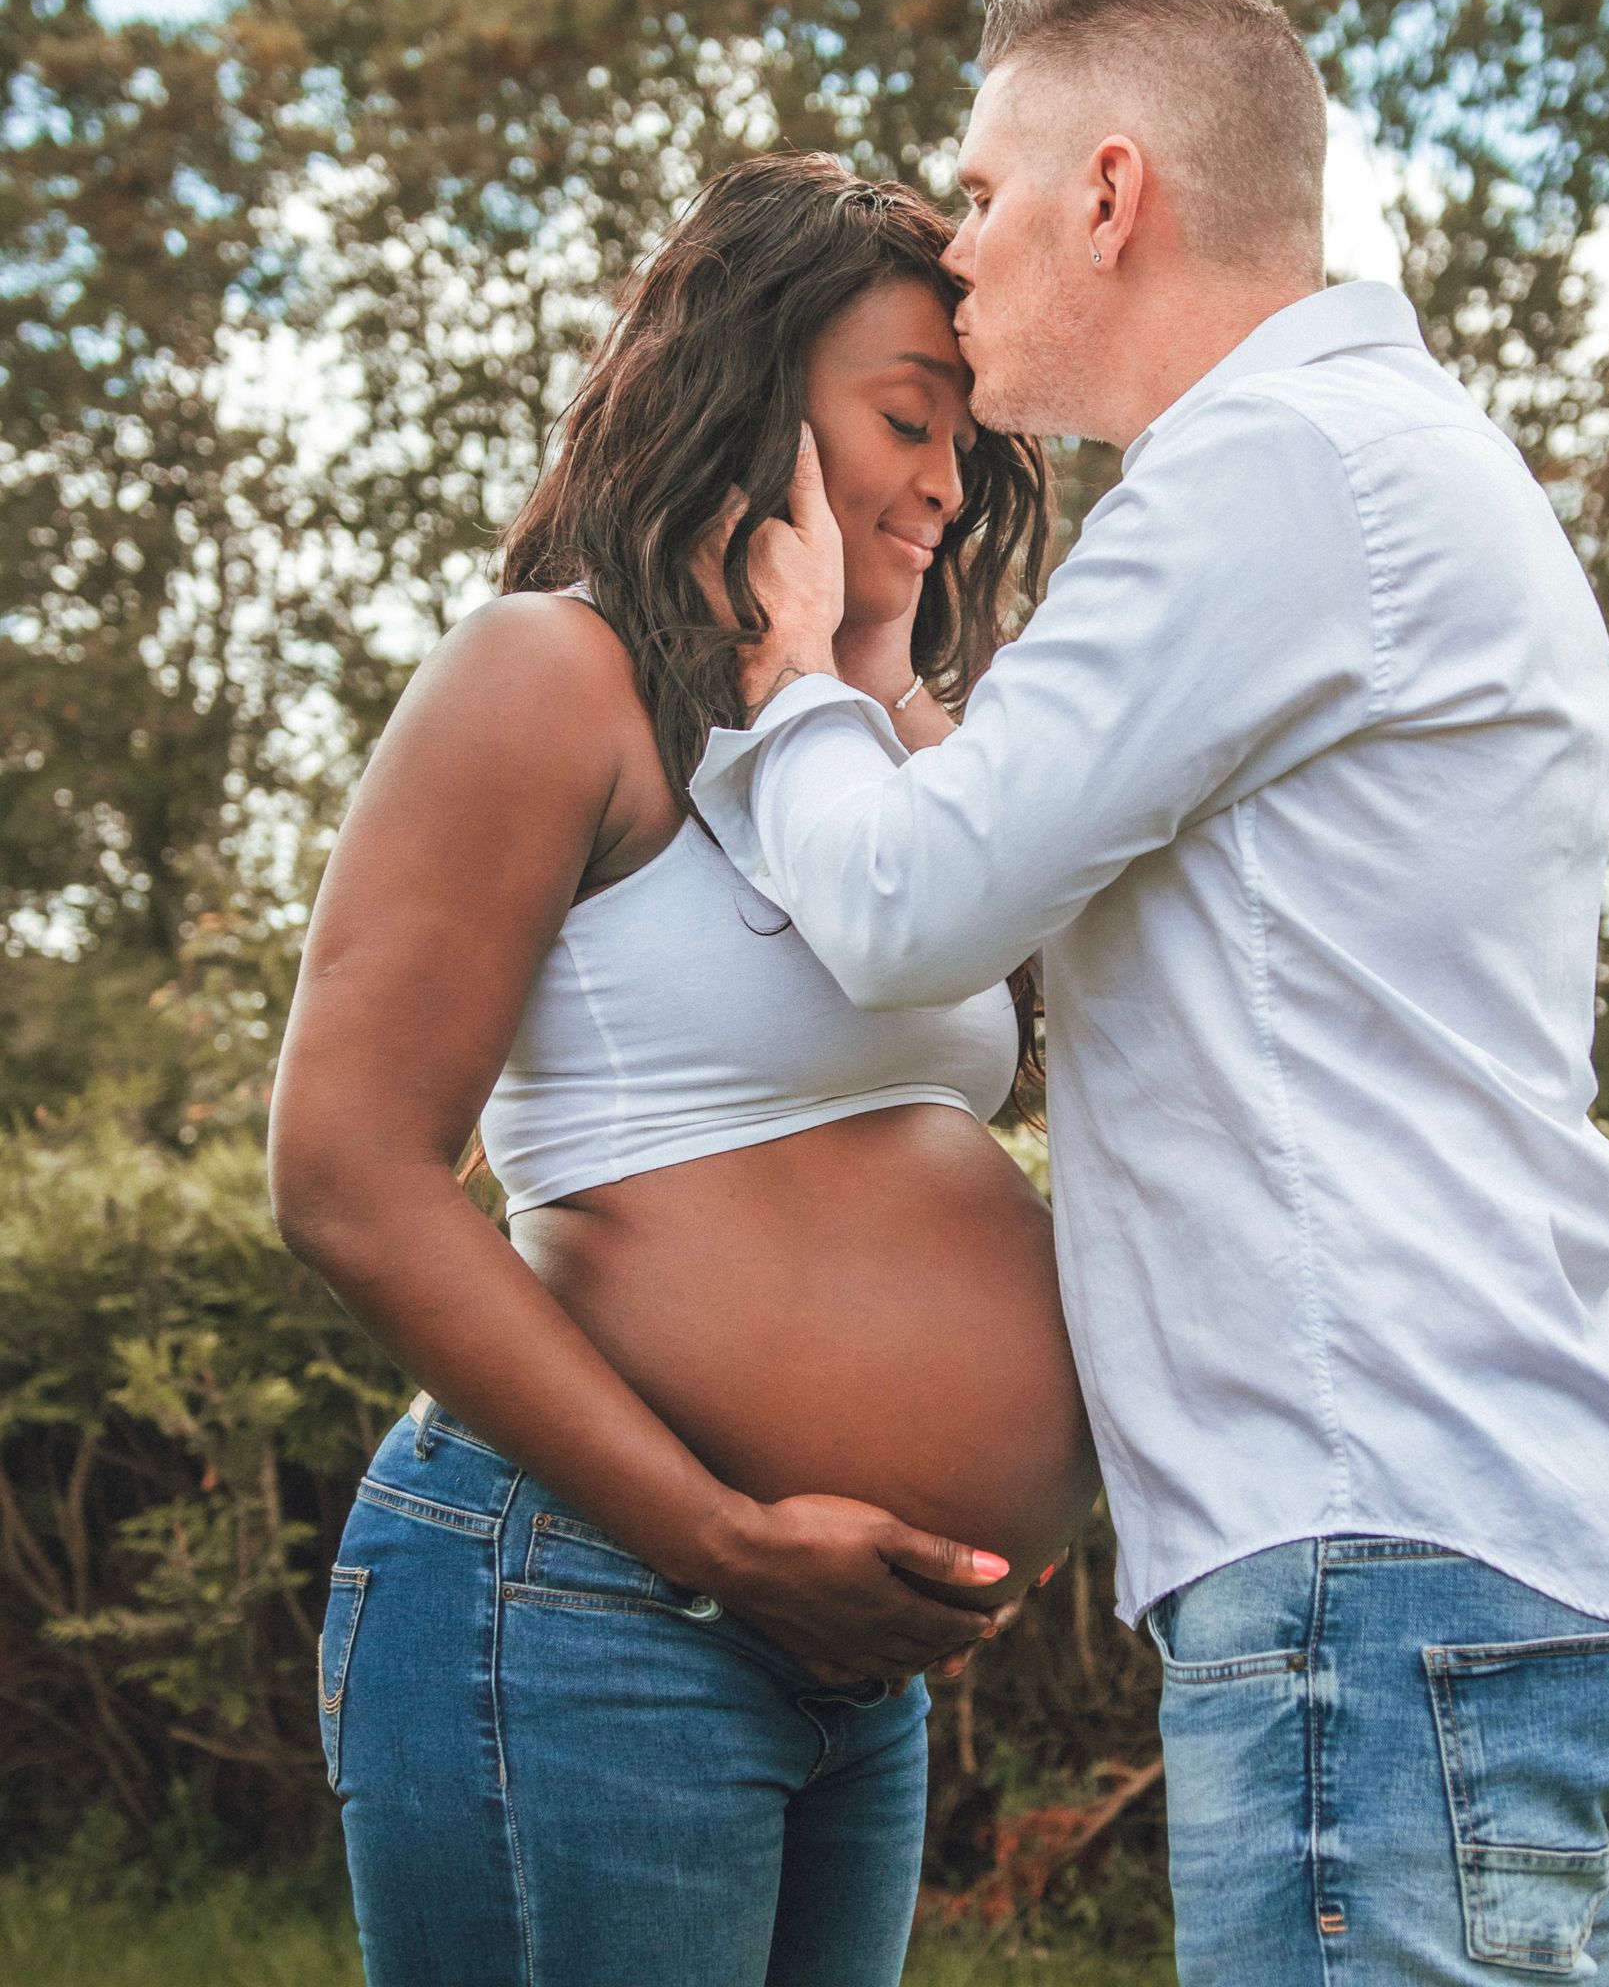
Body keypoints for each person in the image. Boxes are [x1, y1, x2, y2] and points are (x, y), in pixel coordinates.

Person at [691, 0, 1609, 1986]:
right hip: (1482, 1548)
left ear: (1109, 192)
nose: (955, 249)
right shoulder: (1378, 462)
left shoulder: (1276, 472)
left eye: (980, 191)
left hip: (1385, 1554)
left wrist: (790, 672)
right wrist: (884, 693)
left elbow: (904, 905)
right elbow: (1022, 828)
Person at [267, 155, 1100, 1987]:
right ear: (752, 396)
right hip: (591, 1597)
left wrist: (868, 662)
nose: (948, 483)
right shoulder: (546, 676)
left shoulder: (865, 752)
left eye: (971, 447)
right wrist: (722, 1538)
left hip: (844, 1668)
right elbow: (346, 1174)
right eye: (907, 421)